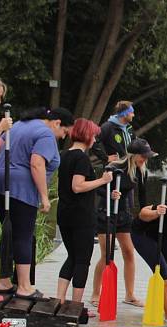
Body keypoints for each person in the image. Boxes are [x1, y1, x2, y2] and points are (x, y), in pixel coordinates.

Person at [0, 107, 74, 300]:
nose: (63, 137)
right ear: (57, 123)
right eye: (64, 132)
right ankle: (24, 287)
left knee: (10, 232)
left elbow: (2, 146)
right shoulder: (45, 134)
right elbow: (37, 163)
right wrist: (44, 196)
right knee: (23, 236)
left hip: (0, 184)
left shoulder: (18, 126)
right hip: (21, 189)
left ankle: (4, 281)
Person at [90, 138, 157, 307]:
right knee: (107, 254)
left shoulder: (142, 172)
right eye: (143, 156)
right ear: (133, 155)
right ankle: (96, 293)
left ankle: (129, 295)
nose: (145, 160)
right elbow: (97, 188)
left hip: (124, 216)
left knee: (128, 252)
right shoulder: (113, 168)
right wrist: (110, 193)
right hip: (106, 213)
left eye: (147, 157)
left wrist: (146, 217)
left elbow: (143, 199)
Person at [55, 118, 114, 309]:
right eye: (95, 136)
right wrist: (103, 181)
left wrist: (106, 192)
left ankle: (60, 300)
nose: (96, 140)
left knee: (72, 256)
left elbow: (75, 186)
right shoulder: (81, 157)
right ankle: (75, 306)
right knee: (82, 260)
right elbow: (77, 186)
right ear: (87, 135)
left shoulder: (65, 154)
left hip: (65, 214)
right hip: (81, 217)